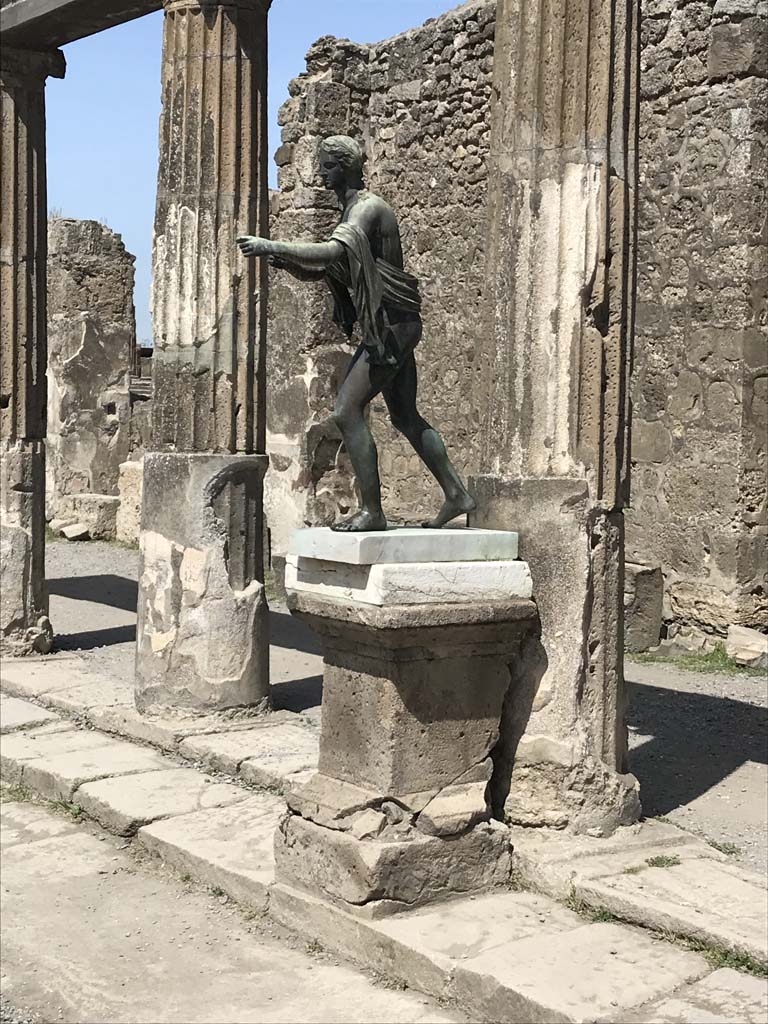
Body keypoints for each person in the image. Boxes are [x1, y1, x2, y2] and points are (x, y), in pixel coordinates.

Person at [237, 134, 476, 532]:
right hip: (393, 325)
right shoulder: (350, 211)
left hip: (392, 328)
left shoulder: (367, 210)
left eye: (327, 166)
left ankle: (374, 512)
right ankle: (456, 494)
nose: (321, 172)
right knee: (404, 415)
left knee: (346, 411)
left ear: (344, 167)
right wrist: (283, 261)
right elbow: (333, 269)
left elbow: (332, 254)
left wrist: (270, 244)